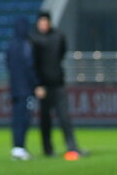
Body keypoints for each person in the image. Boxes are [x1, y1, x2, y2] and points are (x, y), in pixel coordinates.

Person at [30, 11, 86, 159]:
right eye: (40, 22)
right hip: (43, 86)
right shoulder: (33, 39)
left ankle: (72, 147)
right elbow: (33, 64)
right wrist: (37, 84)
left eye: (45, 22)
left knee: (64, 117)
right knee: (45, 119)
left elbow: (62, 54)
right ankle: (47, 149)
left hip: (58, 83)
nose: (43, 25)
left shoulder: (58, 36)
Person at [5, 16, 42, 161]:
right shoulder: (26, 45)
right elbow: (30, 67)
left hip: (14, 88)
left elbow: (8, 64)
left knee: (16, 119)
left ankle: (17, 147)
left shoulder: (10, 45)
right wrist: (36, 84)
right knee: (24, 119)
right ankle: (20, 148)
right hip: (25, 89)